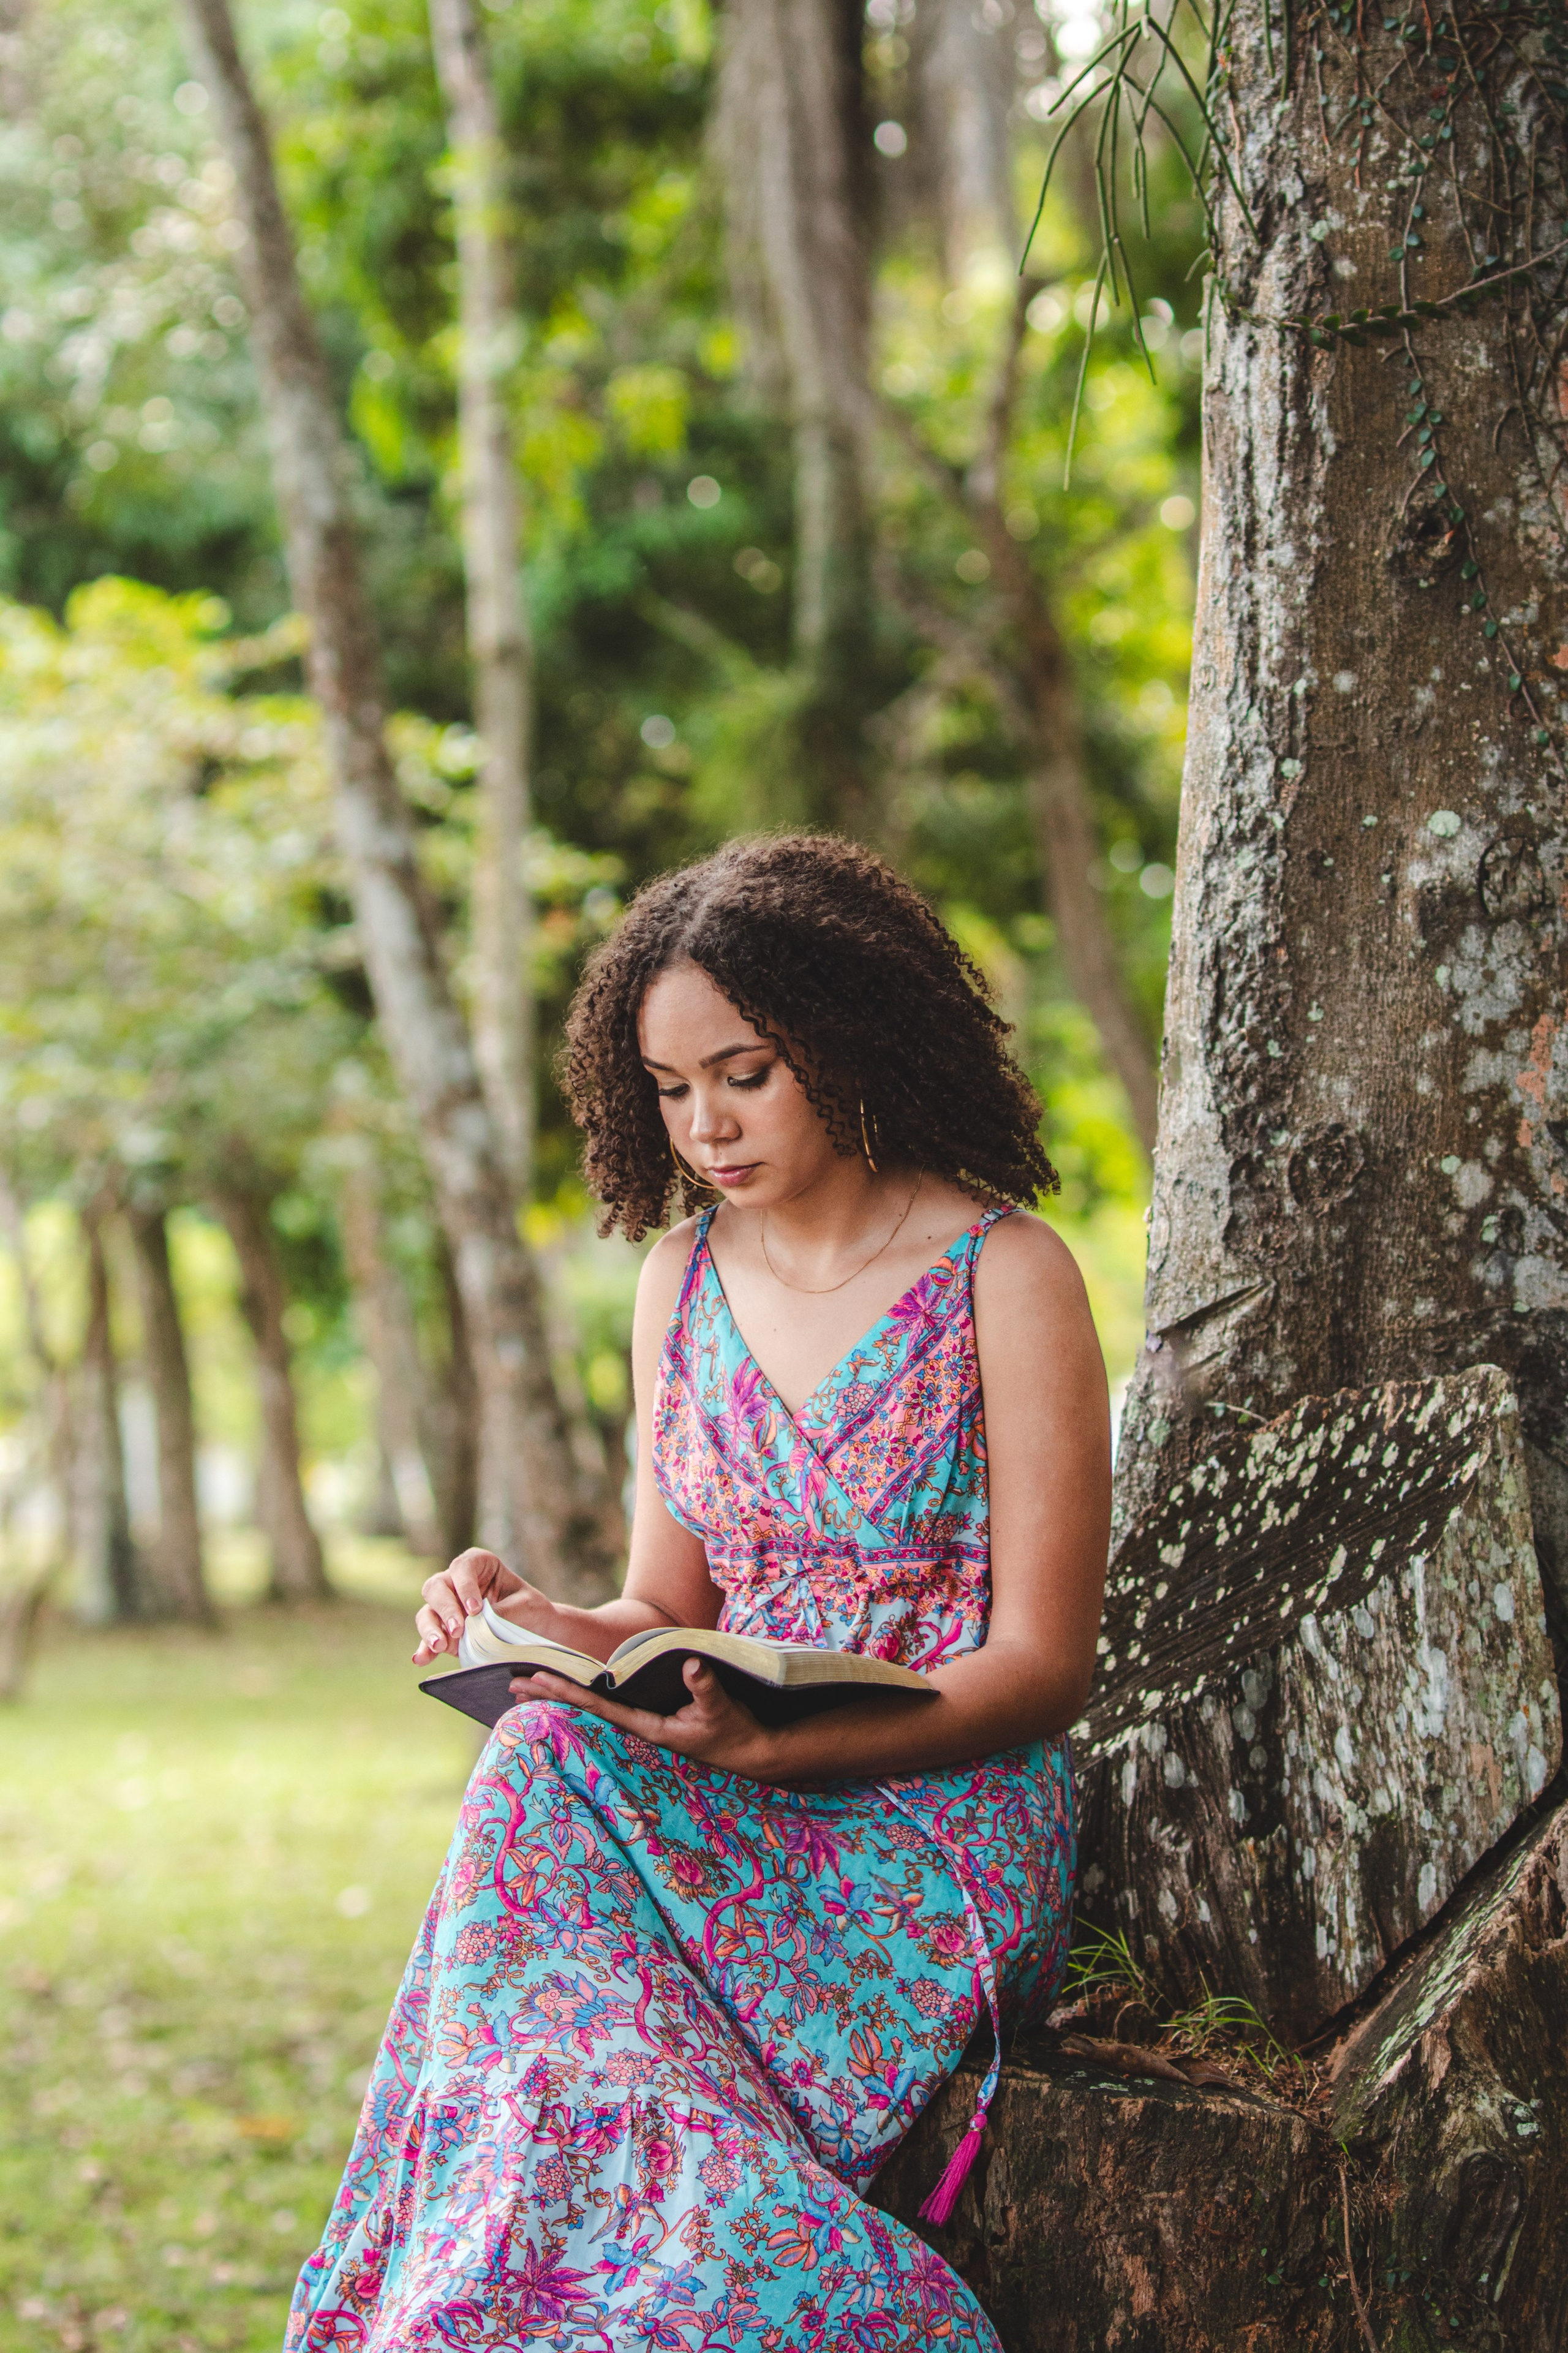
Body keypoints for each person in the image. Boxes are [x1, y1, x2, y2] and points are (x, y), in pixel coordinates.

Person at [286, 834, 1110, 2352]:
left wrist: (792, 1748)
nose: (705, 1126)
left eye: (743, 1074)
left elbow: (1049, 1664)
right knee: (536, 1755)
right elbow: (658, 1601)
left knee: (577, 1927)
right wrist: (526, 1615)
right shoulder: (680, 1280)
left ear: (842, 1041)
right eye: (669, 1090)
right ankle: (473, 2296)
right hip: (727, 1769)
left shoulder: (1004, 1272)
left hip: (934, 1805)